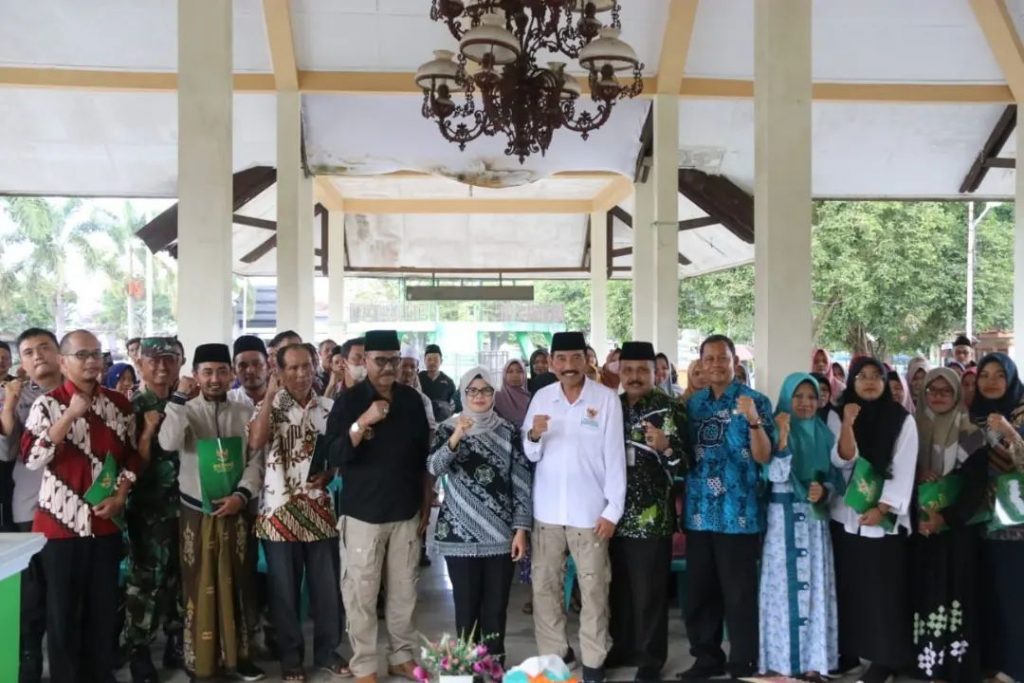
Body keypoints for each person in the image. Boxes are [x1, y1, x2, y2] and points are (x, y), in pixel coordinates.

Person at [22, 329, 143, 683]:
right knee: (62, 615)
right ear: (63, 362)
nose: (92, 361)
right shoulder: (47, 404)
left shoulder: (119, 404)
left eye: (96, 354)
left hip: (105, 523)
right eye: (82, 355)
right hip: (59, 527)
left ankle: (100, 675)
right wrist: (69, 415)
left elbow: (131, 457)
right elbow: (32, 458)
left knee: (102, 611)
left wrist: (120, 495)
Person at [521, 331, 626, 683]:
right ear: (551, 363)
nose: (569, 366)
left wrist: (612, 510)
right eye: (562, 360)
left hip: (590, 514)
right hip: (547, 512)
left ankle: (594, 659)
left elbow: (615, 458)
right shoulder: (542, 397)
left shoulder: (606, 399)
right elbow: (529, 452)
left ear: (586, 360)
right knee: (545, 588)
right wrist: (534, 435)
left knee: (594, 590)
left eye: (576, 358)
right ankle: (556, 654)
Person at [327, 329, 431, 683]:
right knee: (361, 593)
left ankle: (402, 656)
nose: (388, 367)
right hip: (363, 514)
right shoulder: (349, 401)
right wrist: (363, 422)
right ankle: (364, 665)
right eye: (380, 360)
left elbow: (423, 455)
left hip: (405, 510)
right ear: (366, 361)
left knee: (405, 591)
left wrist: (426, 501)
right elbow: (334, 454)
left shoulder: (412, 400)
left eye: (394, 360)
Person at [159, 342, 266, 682]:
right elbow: (168, 442)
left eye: (222, 371)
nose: (215, 379)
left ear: (232, 374)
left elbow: (256, 460)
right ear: (196, 375)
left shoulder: (245, 413)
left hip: (236, 510)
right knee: (199, 584)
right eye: (207, 372)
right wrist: (178, 398)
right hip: (196, 511)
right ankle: (202, 663)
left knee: (240, 582)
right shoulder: (186, 410)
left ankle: (240, 658)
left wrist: (241, 495)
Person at [248, 344, 350, 681]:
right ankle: (291, 658)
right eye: (292, 367)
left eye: (306, 366)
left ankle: (327, 651)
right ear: (279, 371)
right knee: (284, 592)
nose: (302, 373)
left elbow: (338, 453)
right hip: (279, 512)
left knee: (326, 589)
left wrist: (331, 472)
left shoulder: (329, 408)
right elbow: (256, 441)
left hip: (319, 510)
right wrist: (269, 396)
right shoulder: (270, 406)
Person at [678, 334, 775, 680]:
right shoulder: (693, 405)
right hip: (699, 513)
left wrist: (754, 421)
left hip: (739, 514)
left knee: (740, 595)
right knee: (700, 593)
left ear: (735, 362)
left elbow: (765, 457)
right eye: (710, 359)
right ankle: (706, 658)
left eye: (723, 358)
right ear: (701, 364)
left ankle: (743, 662)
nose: (716, 364)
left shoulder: (755, 401)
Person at [427, 366, 531, 659]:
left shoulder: (508, 431)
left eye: (485, 390)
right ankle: (466, 669)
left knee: (495, 608)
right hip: (458, 534)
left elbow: (521, 482)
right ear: (463, 394)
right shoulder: (448, 428)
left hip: (500, 533)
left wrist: (521, 529)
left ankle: (494, 667)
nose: (479, 396)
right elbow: (434, 467)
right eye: (472, 391)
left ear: (493, 394)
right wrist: (457, 435)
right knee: (466, 607)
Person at [830, 357, 918, 683]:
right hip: (847, 517)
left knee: (883, 593)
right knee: (853, 590)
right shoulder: (840, 414)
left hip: (883, 523)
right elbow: (842, 461)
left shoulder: (901, 419)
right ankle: (852, 655)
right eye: (861, 376)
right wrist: (848, 424)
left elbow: (904, 466)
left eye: (876, 376)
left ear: (885, 382)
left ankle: (884, 660)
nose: (869, 382)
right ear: (852, 381)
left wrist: (883, 507)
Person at [609, 341, 686, 683]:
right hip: (613, 516)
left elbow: (686, 464)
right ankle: (624, 646)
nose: (635, 376)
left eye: (643, 370)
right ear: (619, 372)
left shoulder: (670, 409)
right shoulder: (611, 407)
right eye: (628, 370)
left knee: (650, 594)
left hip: (652, 519)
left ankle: (651, 658)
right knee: (620, 589)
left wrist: (666, 447)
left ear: (656, 373)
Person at [759, 373, 841, 680]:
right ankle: (781, 662)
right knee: (782, 592)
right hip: (782, 522)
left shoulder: (824, 434)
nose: (806, 403)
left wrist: (825, 490)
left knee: (815, 589)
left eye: (812, 397)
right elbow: (774, 475)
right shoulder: (773, 429)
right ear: (786, 398)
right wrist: (782, 437)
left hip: (815, 523)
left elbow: (836, 477)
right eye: (798, 396)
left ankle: (813, 663)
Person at [911, 368, 986, 683]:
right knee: (925, 594)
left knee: (956, 594)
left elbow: (976, 488)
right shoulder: (911, 429)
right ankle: (929, 665)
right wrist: (917, 475)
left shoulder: (972, 435)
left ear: (957, 395)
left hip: (957, 532)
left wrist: (947, 517)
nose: (938, 396)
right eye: (932, 390)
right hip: (921, 531)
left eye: (946, 391)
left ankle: (955, 667)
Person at [122, 338, 187, 683]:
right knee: (145, 581)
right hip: (147, 510)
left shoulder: (189, 401)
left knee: (181, 576)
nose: (162, 366)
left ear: (181, 362)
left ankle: (177, 639)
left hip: (187, 507)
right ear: (140, 363)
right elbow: (127, 463)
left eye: (170, 359)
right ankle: (139, 649)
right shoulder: (130, 407)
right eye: (154, 360)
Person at [0, 328, 62, 682]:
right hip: (30, 505)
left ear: (59, 353)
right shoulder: (15, 395)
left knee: (67, 591)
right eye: (28, 352)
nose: (38, 356)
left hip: (74, 509)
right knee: (32, 593)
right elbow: (6, 451)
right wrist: (10, 402)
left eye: (44, 348)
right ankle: (29, 660)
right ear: (21, 362)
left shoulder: (79, 393)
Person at [969, 352, 1024, 683]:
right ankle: (991, 660)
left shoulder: (1020, 414)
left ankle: (1015, 667)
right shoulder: (973, 416)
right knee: (986, 593)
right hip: (979, 521)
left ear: (1011, 379)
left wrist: (1009, 432)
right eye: (984, 375)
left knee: (1013, 595)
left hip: (1014, 525)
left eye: (999, 375)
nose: (990, 381)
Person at [398, 348, 438, 433]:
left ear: (417, 371)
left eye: (412, 367)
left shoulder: (423, 400)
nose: (408, 370)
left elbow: (431, 429)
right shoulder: (385, 394)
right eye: (404, 366)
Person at [228, 335, 271, 407]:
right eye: (243, 366)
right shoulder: (227, 401)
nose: (250, 371)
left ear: (268, 366)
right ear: (234, 370)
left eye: (257, 364)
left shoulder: (282, 400)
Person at [419, 343, 457, 422]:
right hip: (420, 421)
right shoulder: (417, 379)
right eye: (429, 359)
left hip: (442, 422)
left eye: (435, 359)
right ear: (424, 361)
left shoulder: (449, 382)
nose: (432, 362)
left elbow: (452, 406)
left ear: (441, 361)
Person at [493, 358, 531, 427]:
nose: (515, 375)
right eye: (510, 372)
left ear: (525, 375)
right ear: (504, 375)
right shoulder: (496, 398)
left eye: (519, 371)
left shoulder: (530, 398)